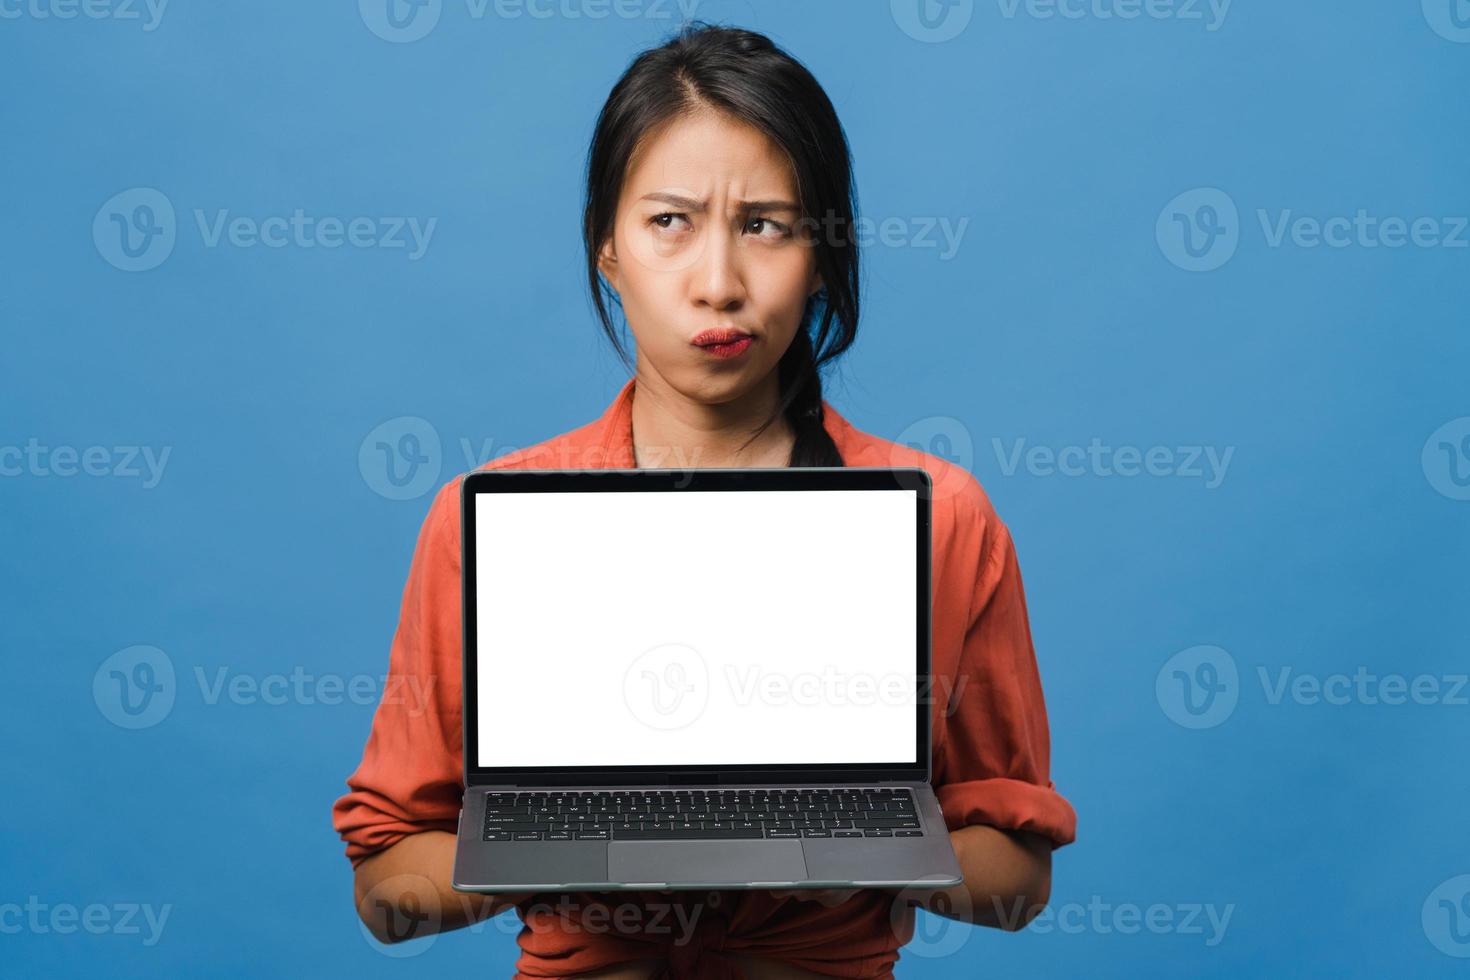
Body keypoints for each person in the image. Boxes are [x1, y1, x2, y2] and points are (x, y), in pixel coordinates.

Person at [333, 22, 1076, 979]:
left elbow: (1018, 880)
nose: (719, 285)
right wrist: (554, 852)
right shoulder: (485, 519)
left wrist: (862, 853)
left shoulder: (944, 520)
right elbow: (385, 894)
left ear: (821, 254)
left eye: (766, 224)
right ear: (607, 246)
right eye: (670, 222)